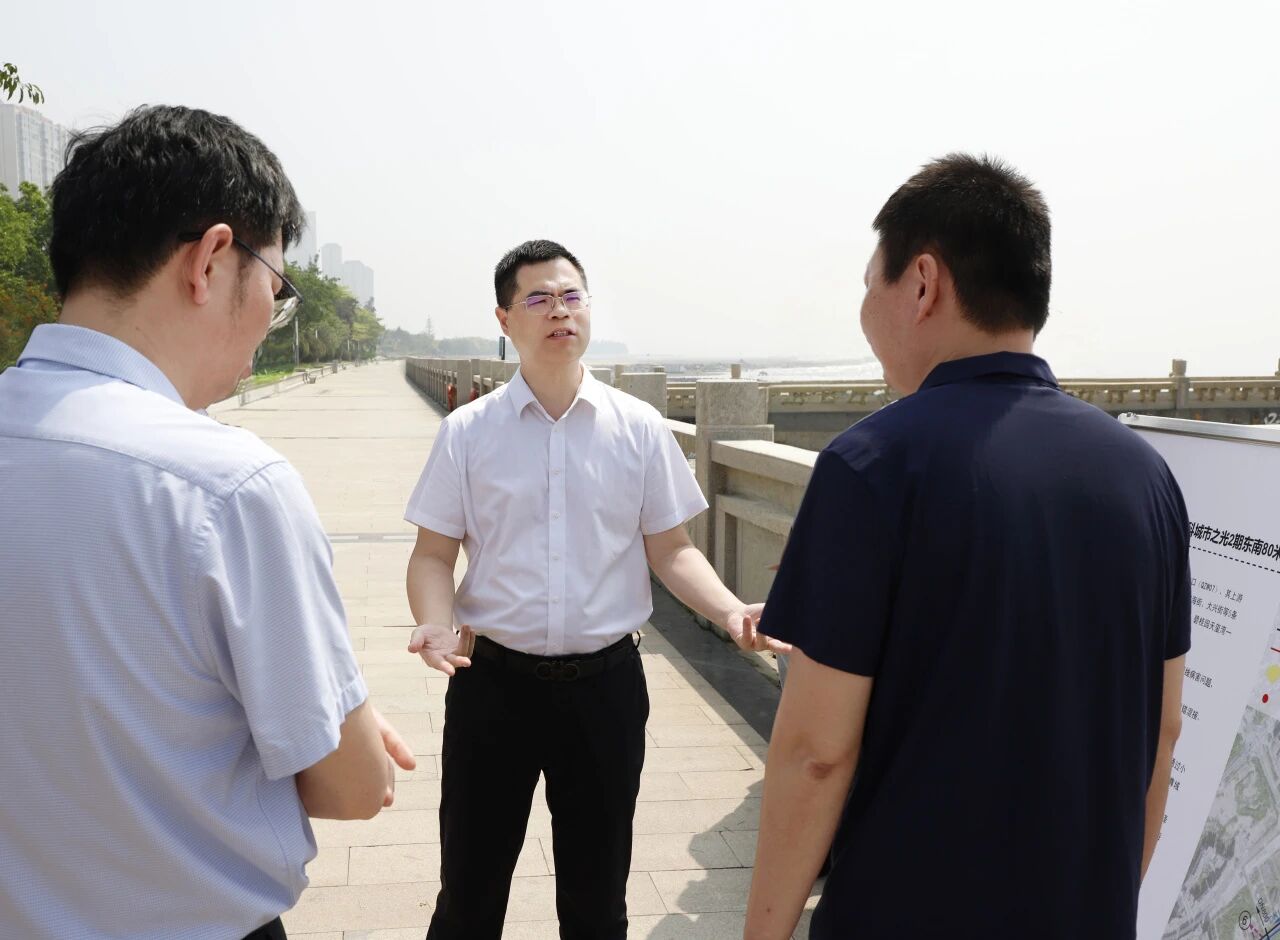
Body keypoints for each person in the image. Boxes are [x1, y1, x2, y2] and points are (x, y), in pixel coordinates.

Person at [744, 154, 1189, 940]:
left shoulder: (871, 465)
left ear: (922, 282)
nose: (865, 310)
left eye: (869, 284)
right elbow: (1164, 729)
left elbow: (816, 753)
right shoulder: (1145, 476)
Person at [0, 105, 415, 940]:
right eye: (277, 287)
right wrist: (344, 723)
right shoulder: (227, 486)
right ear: (212, 260)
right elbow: (354, 786)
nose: (271, 313)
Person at [403, 239, 788, 939]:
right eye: (539, 298)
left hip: (605, 690)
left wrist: (732, 610)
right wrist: (434, 622)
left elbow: (672, 550)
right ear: (505, 319)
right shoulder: (468, 433)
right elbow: (433, 555)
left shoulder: (638, 428)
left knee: (597, 901)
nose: (560, 311)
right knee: (469, 893)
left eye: (571, 295)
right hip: (493, 689)